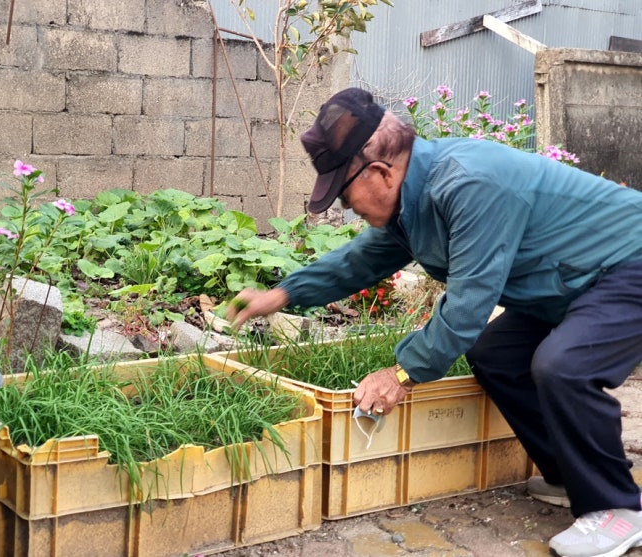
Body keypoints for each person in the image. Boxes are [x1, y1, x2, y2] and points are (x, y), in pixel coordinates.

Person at [228, 87, 642, 557]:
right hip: (573, 283)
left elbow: (467, 303)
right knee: (495, 355)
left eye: (344, 195)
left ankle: (617, 507)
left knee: (564, 366)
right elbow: (360, 260)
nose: (348, 210)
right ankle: (574, 476)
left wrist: (401, 374)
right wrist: (282, 294)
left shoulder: (469, 182)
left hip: (628, 265)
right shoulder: (415, 199)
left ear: (381, 172)